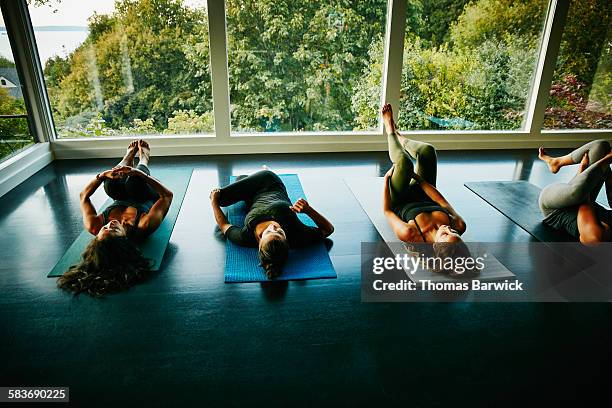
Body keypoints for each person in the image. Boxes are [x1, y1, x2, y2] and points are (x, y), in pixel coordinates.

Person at [58, 140, 174, 296]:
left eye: (105, 229)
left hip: (119, 196)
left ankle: (127, 158)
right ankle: (144, 158)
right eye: (114, 230)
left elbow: (83, 196)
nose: (110, 224)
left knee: (110, 184)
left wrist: (103, 175)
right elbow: (167, 196)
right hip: (145, 194)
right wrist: (142, 174)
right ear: (124, 239)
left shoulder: (94, 225)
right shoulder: (144, 225)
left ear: (97, 234)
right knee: (135, 183)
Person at [381, 104, 470, 276]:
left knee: (404, 163)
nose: (448, 229)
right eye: (454, 233)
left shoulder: (411, 234)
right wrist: (420, 180)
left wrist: (386, 182)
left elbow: (387, 211)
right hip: (424, 191)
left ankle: (390, 130)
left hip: (400, 198)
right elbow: (440, 201)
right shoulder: (458, 224)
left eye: (445, 235)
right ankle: (401, 139)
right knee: (428, 151)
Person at [210, 169, 334, 279]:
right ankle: (262, 171)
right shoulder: (296, 233)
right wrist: (308, 210)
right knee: (231, 192)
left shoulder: (245, 237)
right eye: (280, 232)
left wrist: (214, 202)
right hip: (268, 181)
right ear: (287, 241)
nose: (273, 226)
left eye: (268, 232)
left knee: (220, 199)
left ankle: (244, 180)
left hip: (252, 196)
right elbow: (328, 230)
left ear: (259, 244)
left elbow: (224, 226)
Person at [538, 140, 612, 243]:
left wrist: (606, 161)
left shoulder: (598, 236)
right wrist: (605, 171)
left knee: (577, 193)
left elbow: (584, 205)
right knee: (600, 146)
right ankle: (557, 162)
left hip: (555, 209)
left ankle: (560, 164)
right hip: (579, 194)